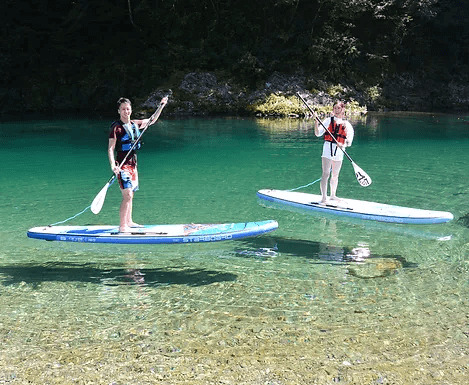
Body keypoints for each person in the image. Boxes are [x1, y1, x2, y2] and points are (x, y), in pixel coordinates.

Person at [108, 96, 167, 232]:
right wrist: (113, 165)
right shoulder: (116, 128)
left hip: (133, 165)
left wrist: (161, 106)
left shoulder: (135, 124)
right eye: (123, 109)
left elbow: (152, 120)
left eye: (128, 109)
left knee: (131, 194)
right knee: (127, 194)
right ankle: (122, 226)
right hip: (121, 165)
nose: (126, 111)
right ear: (119, 111)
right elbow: (111, 148)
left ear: (131, 110)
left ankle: (129, 221)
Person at [314, 101, 354, 204]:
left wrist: (343, 143)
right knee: (326, 173)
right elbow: (318, 133)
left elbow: (349, 142)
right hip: (327, 149)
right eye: (335, 108)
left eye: (338, 108)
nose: (336, 111)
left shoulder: (347, 125)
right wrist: (316, 122)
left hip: (339, 152)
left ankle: (332, 195)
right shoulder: (328, 121)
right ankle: (323, 197)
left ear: (342, 110)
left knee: (335, 175)